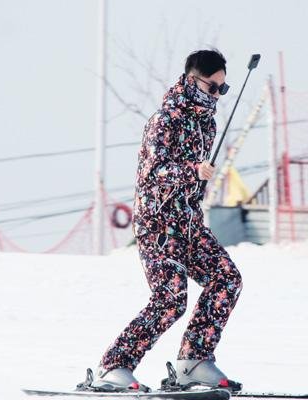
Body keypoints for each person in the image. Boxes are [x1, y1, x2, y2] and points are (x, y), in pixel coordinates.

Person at [90, 49, 243, 392]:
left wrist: (196, 180)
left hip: (189, 224)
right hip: (158, 224)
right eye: (212, 86)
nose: (217, 95)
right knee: (170, 299)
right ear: (192, 81)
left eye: (223, 88)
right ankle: (113, 367)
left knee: (227, 279)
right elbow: (153, 171)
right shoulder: (165, 118)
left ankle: (194, 361)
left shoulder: (208, 122)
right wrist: (193, 171)